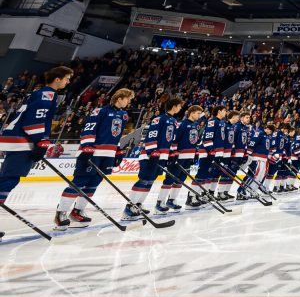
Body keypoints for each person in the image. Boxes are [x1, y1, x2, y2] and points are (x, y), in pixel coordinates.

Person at [0, 65, 72, 228]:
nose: (68, 82)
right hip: (22, 142)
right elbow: (33, 121)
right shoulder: (47, 94)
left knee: (6, 180)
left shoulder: (42, 93)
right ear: (57, 79)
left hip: (20, 141)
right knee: (7, 181)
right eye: (67, 78)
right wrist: (40, 142)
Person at [54, 88, 134, 230]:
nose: (129, 101)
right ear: (120, 98)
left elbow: (117, 135)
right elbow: (89, 129)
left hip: (108, 154)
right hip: (94, 152)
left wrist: (119, 151)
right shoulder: (100, 111)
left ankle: (77, 211)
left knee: (94, 183)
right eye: (128, 98)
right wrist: (87, 148)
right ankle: (61, 212)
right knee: (80, 181)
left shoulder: (124, 115)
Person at [125, 96, 184, 220]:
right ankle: (129, 207)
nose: (180, 108)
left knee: (150, 181)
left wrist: (171, 153)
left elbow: (171, 139)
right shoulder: (159, 119)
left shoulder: (173, 121)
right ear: (174, 106)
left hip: (162, 156)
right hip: (149, 155)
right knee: (143, 180)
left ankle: (139, 204)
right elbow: (152, 136)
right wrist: (152, 151)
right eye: (179, 106)